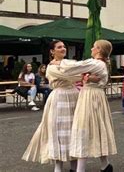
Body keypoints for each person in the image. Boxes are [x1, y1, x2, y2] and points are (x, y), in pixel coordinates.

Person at [58, 40, 116, 172]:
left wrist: (58, 62)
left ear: (99, 50)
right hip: (94, 95)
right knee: (96, 128)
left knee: (82, 129)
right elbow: (81, 70)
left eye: (94, 47)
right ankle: (105, 165)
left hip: (90, 96)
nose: (91, 49)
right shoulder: (101, 64)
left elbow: (74, 67)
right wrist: (85, 77)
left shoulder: (95, 63)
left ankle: (81, 169)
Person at [23, 40, 79, 172]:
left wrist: (78, 74)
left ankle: (74, 165)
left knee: (75, 129)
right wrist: (77, 74)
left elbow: (77, 74)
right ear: (52, 51)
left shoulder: (69, 63)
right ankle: (58, 166)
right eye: (59, 47)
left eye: (64, 47)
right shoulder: (51, 67)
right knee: (58, 130)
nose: (63, 49)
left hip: (74, 97)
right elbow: (72, 75)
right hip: (59, 98)